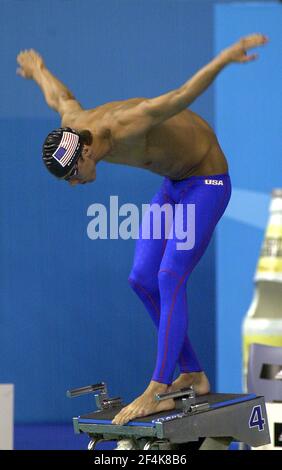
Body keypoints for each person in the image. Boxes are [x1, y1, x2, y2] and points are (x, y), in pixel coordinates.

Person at [17, 33, 268, 425]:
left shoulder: (126, 125)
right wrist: (39, 71)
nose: (73, 183)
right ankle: (193, 374)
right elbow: (61, 98)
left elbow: (182, 94)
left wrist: (225, 58)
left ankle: (158, 388)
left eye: (72, 174)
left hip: (207, 182)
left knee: (170, 275)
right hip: (174, 185)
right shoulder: (73, 126)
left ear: (83, 153)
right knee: (141, 278)